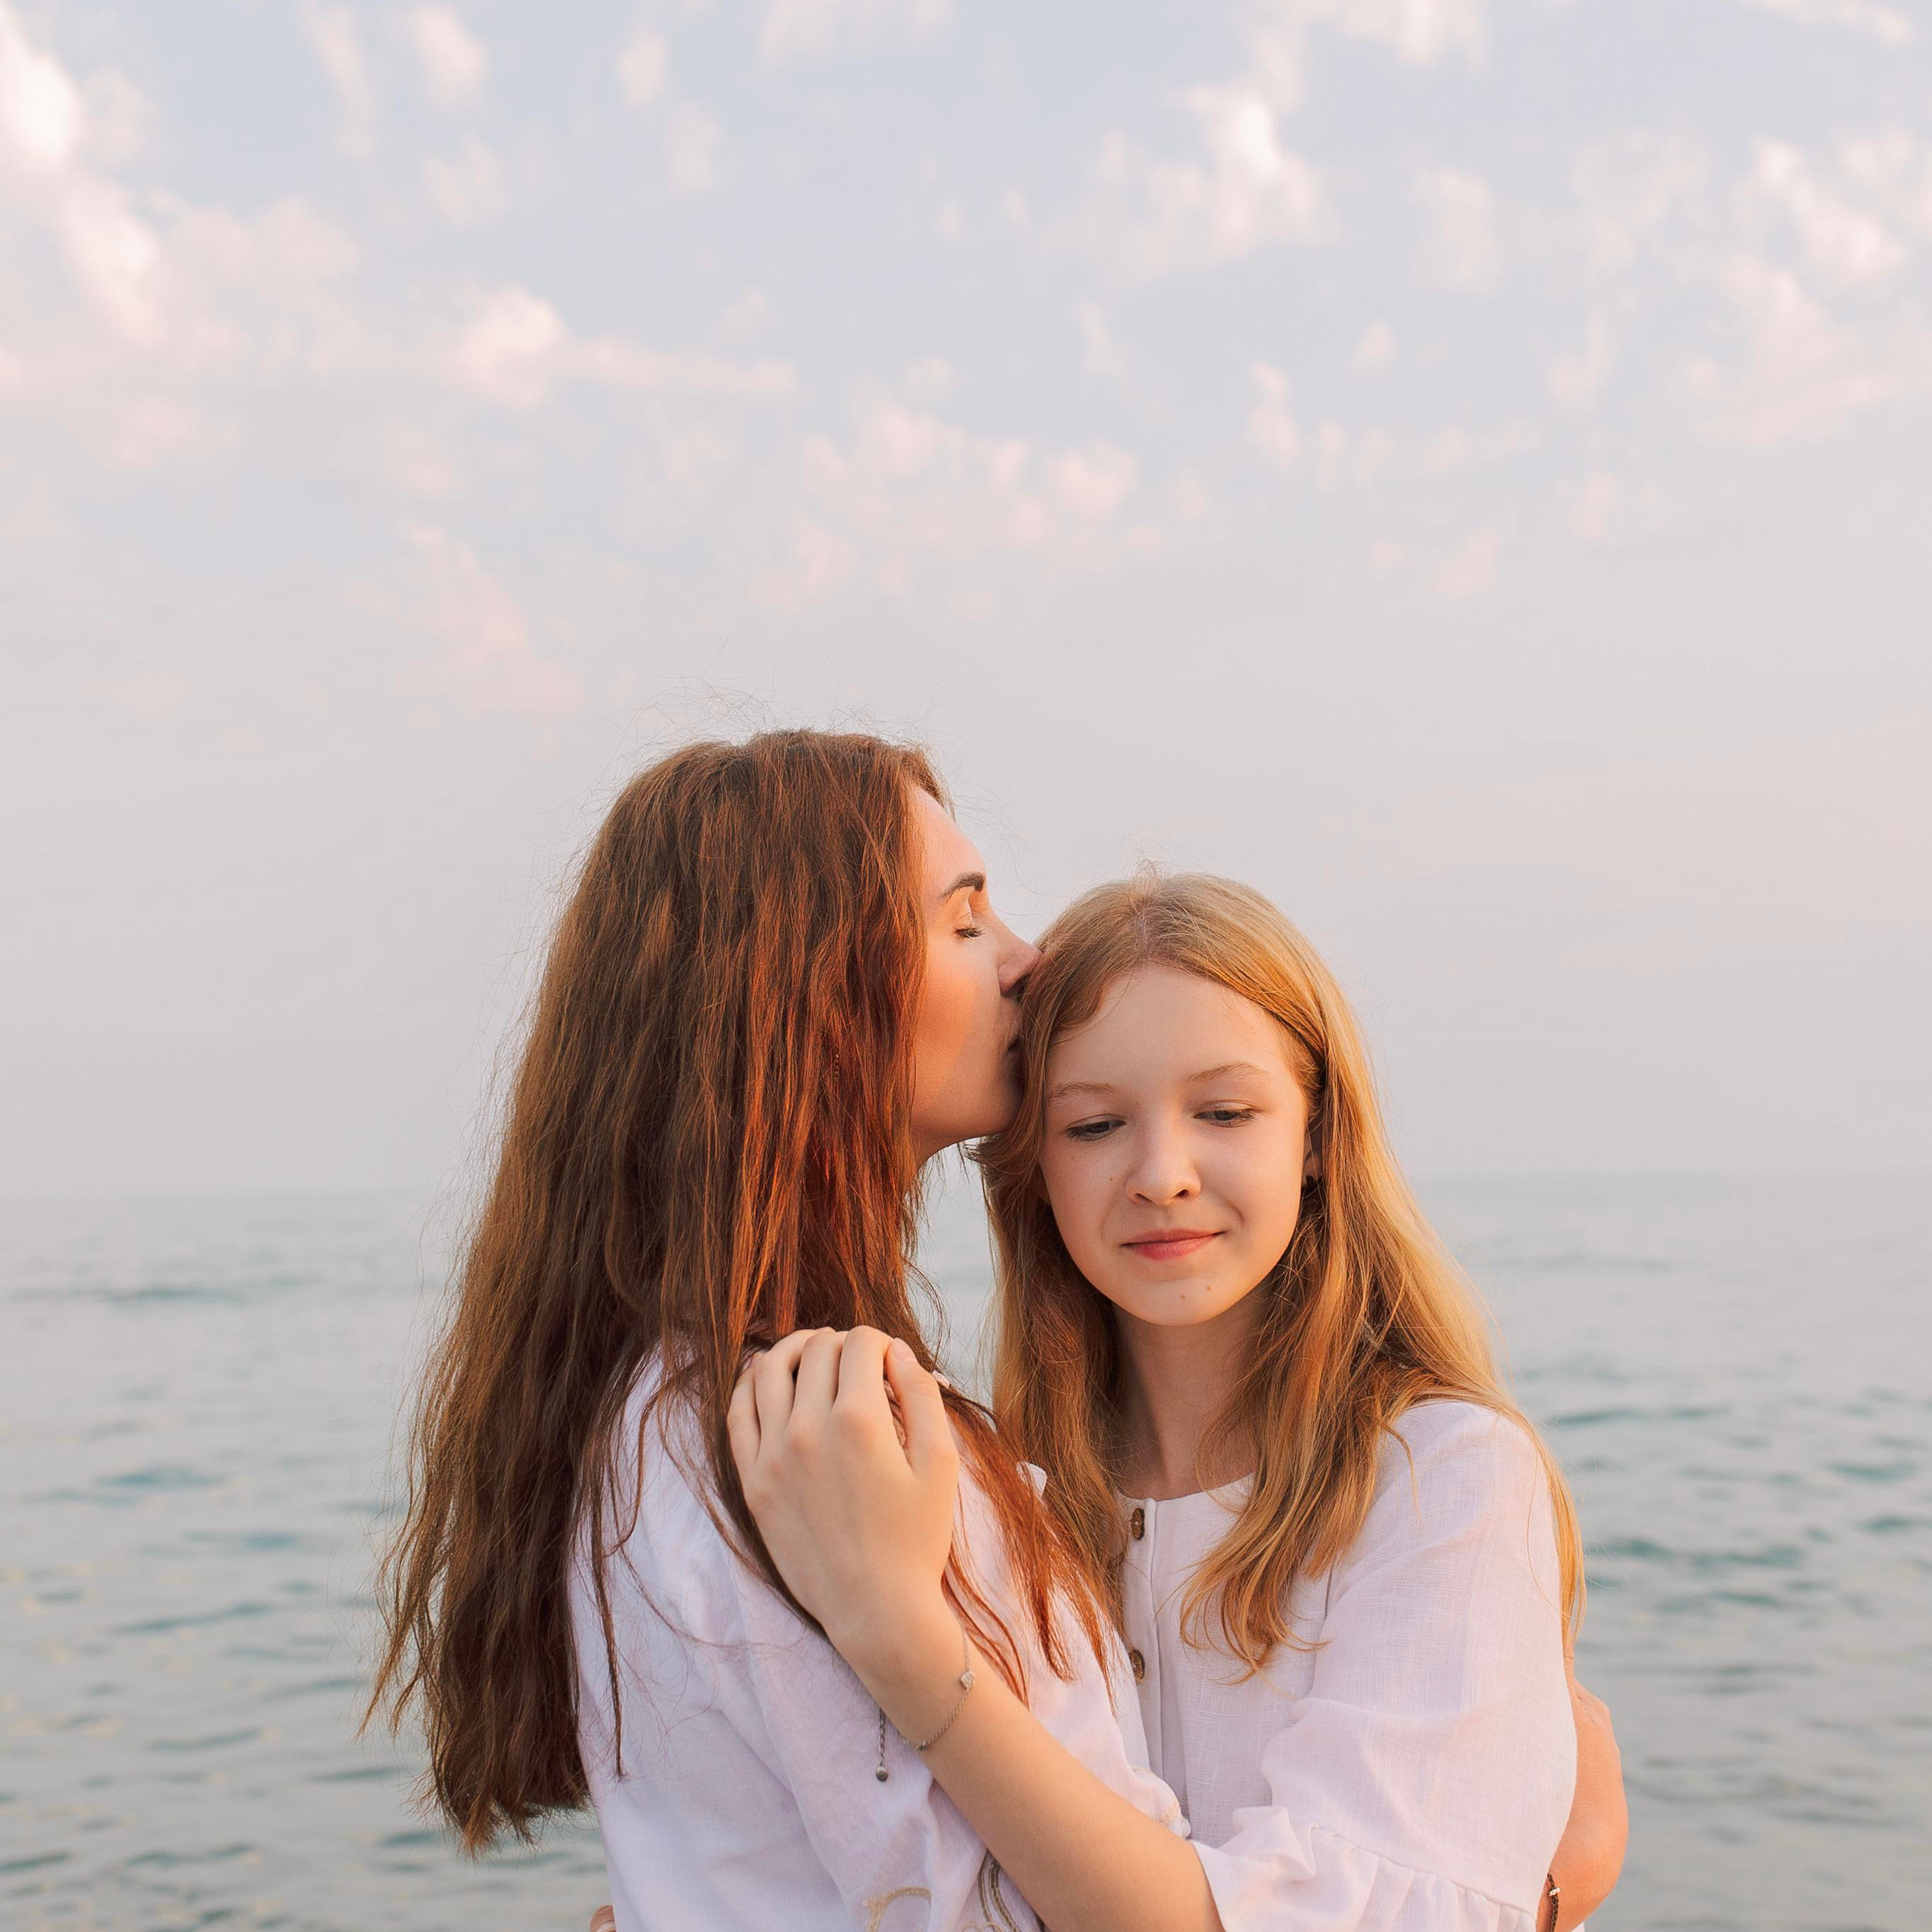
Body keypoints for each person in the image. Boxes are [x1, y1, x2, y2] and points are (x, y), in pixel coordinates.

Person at [362, 728, 1621, 1931]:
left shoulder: (691, 1420)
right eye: (965, 918)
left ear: (1316, 1143)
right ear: (814, 998)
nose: (1018, 958)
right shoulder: (849, 1442)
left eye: (1228, 1111)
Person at [731, 871, 1628, 1931]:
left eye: (1225, 1111)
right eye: (1095, 1126)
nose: (1162, 1173)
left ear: (1315, 1139)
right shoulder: (996, 1496)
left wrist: (908, 1648)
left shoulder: (1443, 1477)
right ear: (1033, 1173)